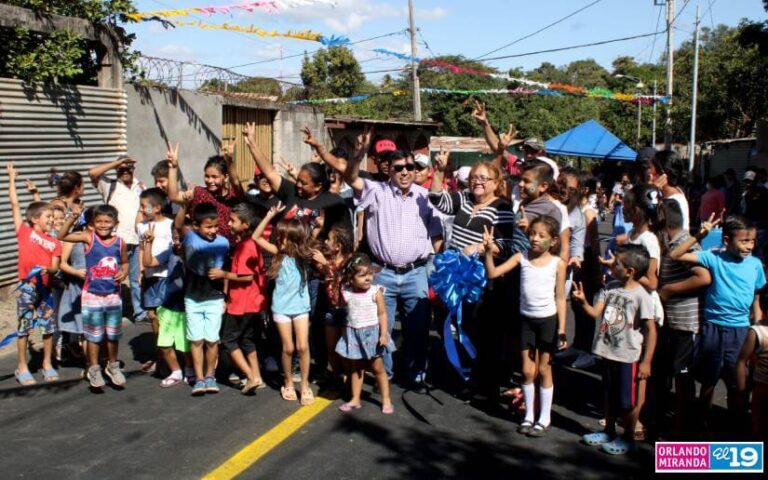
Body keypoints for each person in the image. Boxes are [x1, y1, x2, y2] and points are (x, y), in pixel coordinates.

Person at [341, 140, 444, 389]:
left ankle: (415, 372)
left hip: (415, 272)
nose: (405, 172)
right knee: (379, 327)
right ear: (390, 170)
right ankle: (383, 374)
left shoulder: (425, 197)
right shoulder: (375, 191)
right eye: (399, 168)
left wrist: (431, 261)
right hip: (383, 272)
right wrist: (359, 152)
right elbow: (351, 176)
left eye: (410, 166)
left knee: (418, 329)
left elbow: (437, 234)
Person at [669, 214, 766, 429]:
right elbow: (675, 254)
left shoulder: (756, 265)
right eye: (743, 241)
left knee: (738, 385)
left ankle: (735, 426)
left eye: (751, 241)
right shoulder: (713, 257)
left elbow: (757, 298)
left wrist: (758, 329)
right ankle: (702, 424)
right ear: (726, 241)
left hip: (741, 332)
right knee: (708, 380)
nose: (749, 246)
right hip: (712, 329)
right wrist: (699, 235)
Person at [484, 216, 567, 437]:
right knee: (528, 371)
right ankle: (529, 415)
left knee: (543, 370)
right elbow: (493, 273)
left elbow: (560, 298)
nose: (534, 239)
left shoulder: (558, 264)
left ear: (554, 240)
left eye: (541, 236)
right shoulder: (522, 257)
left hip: (547, 321)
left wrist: (562, 329)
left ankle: (545, 417)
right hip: (526, 321)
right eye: (532, 234)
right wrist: (487, 252)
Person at [573, 244, 657, 455]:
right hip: (607, 352)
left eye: (616, 263)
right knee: (609, 394)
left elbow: (651, 330)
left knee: (626, 401)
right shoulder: (609, 287)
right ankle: (608, 430)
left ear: (630, 271)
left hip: (628, 356)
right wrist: (583, 302)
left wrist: (646, 361)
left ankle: (628, 437)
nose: (612, 264)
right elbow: (595, 313)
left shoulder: (642, 296)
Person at [60, 204, 129, 389]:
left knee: (113, 335)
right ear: (92, 223)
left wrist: (124, 273)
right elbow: (62, 236)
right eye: (99, 221)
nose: (103, 225)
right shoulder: (88, 238)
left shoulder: (120, 242)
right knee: (93, 335)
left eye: (108, 221)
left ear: (116, 223)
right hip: (92, 296)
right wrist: (72, 218)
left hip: (113, 295)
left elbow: (124, 262)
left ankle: (113, 366)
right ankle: (94, 367)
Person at [658, 199, 711, 436]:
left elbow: (703, 277)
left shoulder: (685, 243)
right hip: (674, 320)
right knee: (675, 373)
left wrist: (670, 290)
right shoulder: (673, 241)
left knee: (683, 377)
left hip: (686, 323)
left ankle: (682, 427)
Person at [253, 204, 316, 405]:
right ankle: (288, 382)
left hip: (300, 307)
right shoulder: (277, 253)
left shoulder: (303, 255)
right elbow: (256, 237)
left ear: (296, 239)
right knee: (288, 348)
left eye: (286, 237)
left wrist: (317, 226)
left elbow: (313, 236)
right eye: (281, 237)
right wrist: (269, 216)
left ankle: (304, 385)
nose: (282, 240)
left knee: (303, 346)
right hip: (281, 307)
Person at [245, 124, 351, 238]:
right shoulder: (292, 192)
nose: (298, 185)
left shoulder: (333, 202)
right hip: (282, 253)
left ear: (318, 186)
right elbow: (270, 173)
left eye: (304, 183)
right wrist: (252, 143)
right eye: (298, 180)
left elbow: (344, 237)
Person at [7, 164, 61, 385]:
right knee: (24, 328)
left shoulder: (54, 241)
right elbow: (15, 204)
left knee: (48, 328)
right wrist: (11, 179)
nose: (52, 219)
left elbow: (56, 266)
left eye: (53, 217)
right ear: (34, 220)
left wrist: (50, 269)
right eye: (48, 217)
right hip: (27, 288)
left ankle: (46, 363)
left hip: (45, 290)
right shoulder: (24, 232)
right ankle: (22, 367)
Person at [211, 203, 267, 395]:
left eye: (233, 221)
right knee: (247, 340)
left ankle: (250, 376)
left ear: (246, 224)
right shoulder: (252, 243)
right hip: (253, 301)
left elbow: (247, 276)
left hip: (241, 302)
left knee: (228, 340)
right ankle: (257, 376)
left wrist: (222, 274)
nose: (229, 223)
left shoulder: (244, 247)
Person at [88, 155, 146, 323]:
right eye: (122, 168)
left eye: (128, 168)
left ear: (134, 170)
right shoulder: (109, 185)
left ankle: (139, 312)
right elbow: (92, 173)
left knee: (135, 279)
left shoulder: (140, 185)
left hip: (136, 239)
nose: (125, 171)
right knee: (111, 277)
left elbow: (147, 207)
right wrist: (117, 162)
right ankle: (111, 311)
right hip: (115, 241)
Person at [335, 253, 395, 414]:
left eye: (370, 274)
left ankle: (386, 399)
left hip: (372, 336)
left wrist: (384, 334)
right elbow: (341, 308)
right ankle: (355, 399)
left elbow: (382, 314)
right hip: (354, 335)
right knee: (356, 368)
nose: (368, 278)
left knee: (378, 368)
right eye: (362, 275)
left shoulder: (376, 292)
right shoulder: (346, 292)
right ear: (351, 278)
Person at [182, 202, 230, 396]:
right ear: (196, 226)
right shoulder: (190, 238)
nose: (213, 230)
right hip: (193, 298)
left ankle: (211, 376)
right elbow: (179, 224)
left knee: (212, 340)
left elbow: (226, 271)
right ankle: (199, 378)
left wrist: (225, 296)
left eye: (215, 226)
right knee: (196, 340)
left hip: (215, 298)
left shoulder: (224, 243)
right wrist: (185, 205)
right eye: (208, 226)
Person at [166, 141, 243, 244]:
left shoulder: (233, 198)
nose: (210, 181)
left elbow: (237, 183)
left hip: (226, 252)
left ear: (226, 177)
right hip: (200, 251)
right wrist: (173, 167)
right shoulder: (198, 193)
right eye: (207, 176)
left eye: (215, 177)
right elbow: (173, 196)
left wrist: (229, 160)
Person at [137, 188, 176, 374]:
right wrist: (141, 271)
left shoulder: (170, 225)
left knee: (165, 317)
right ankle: (160, 354)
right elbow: (140, 248)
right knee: (152, 316)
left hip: (165, 275)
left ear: (158, 207)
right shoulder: (142, 226)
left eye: (145, 206)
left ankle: (169, 357)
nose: (142, 210)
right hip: (149, 277)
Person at [311, 225, 355, 380]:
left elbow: (343, 278)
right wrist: (317, 229)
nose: (326, 242)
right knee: (331, 348)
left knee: (346, 349)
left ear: (338, 246)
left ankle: (349, 378)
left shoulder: (350, 261)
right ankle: (338, 376)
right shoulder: (326, 258)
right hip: (331, 309)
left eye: (329, 239)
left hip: (348, 310)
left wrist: (326, 264)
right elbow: (308, 249)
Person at [736, 318, 768, 438]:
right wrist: (741, 390)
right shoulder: (757, 331)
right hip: (762, 389)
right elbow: (741, 361)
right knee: (759, 426)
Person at [650, 150, 690, 232]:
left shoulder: (675, 202)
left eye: (651, 168)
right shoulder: (664, 194)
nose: (649, 173)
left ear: (663, 174)